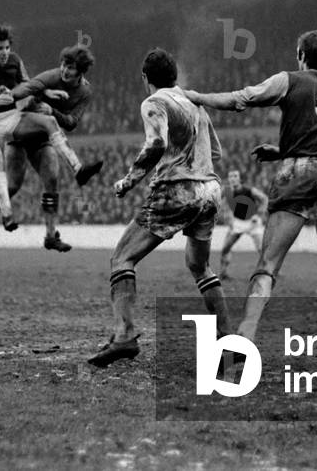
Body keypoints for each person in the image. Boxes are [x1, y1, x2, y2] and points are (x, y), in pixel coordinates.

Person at [185, 30, 317, 371]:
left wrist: (198, 97)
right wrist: (282, 149)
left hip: (299, 172)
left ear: (301, 55)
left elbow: (244, 97)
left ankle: (244, 340)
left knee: (267, 266)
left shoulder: (290, 80)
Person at [88, 48, 230, 368]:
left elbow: (156, 143)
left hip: (177, 190)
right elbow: (216, 152)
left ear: (145, 78)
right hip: (209, 190)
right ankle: (228, 341)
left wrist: (129, 180)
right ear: (174, 75)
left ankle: (124, 337)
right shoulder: (194, 103)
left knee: (122, 257)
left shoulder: (155, 102)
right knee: (199, 265)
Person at [0, 26, 103, 240]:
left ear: (81, 72)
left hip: (40, 136)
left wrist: (51, 108)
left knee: (52, 180)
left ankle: (51, 235)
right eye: (64, 66)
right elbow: (29, 87)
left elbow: (71, 122)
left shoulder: (84, 92)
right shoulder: (50, 76)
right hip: (17, 131)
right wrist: (9, 96)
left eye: (7, 47)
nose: (65, 71)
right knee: (12, 185)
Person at [218, 169, 267, 279]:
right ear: (228, 179)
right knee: (226, 248)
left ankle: (269, 271)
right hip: (238, 222)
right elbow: (216, 200)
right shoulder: (226, 190)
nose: (233, 178)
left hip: (252, 221)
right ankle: (223, 273)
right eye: (230, 176)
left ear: (239, 179)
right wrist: (226, 214)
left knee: (261, 249)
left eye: (235, 176)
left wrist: (259, 215)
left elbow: (264, 199)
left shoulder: (249, 190)